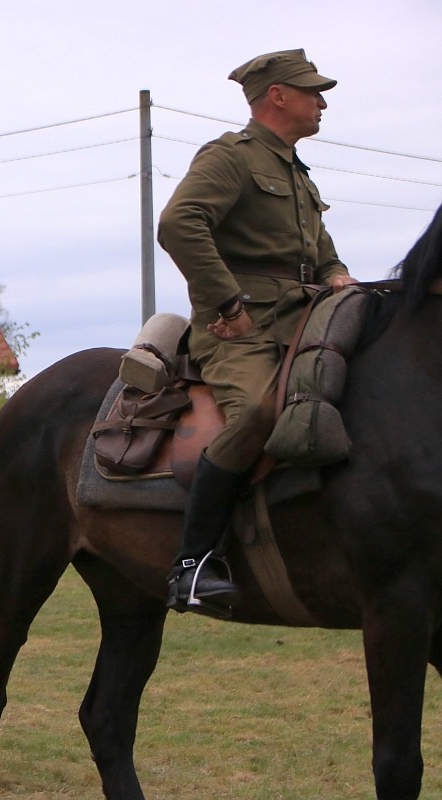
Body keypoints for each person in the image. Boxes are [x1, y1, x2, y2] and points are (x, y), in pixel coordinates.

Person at [157, 49, 358, 613]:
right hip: (240, 330)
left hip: (306, 319)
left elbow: (320, 257)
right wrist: (227, 301)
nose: (321, 102)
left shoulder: (295, 171)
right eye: (313, 91)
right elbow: (178, 224)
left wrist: (336, 275)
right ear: (278, 96)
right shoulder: (233, 157)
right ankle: (193, 564)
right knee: (259, 415)